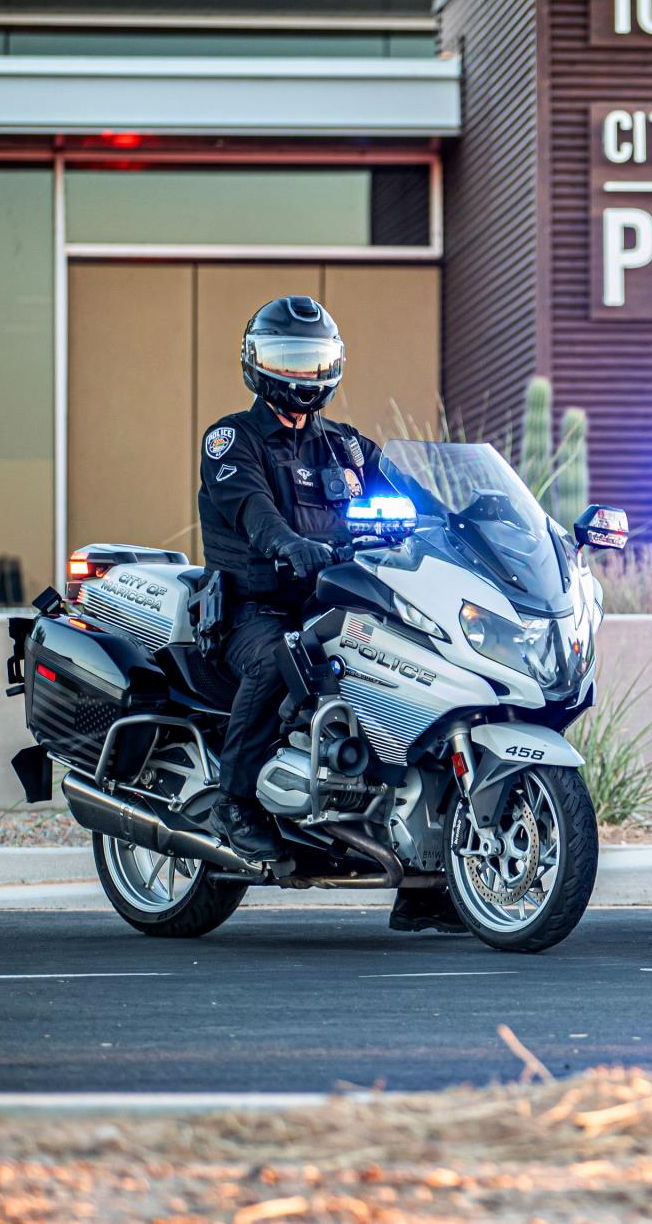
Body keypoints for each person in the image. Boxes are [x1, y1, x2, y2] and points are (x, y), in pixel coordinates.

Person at [197, 295, 461, 933]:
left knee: (427, 687)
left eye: (315, 362)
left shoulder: (348, 449)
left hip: (340, 600)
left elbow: (420, 507)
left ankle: (429, 878)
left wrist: (467, 526)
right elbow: (253, 511)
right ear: (257, 364)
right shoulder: (231, 439)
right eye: (290, 360)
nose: (303, 376)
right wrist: (287, 543)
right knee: (279, 654)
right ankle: (234, 805)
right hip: (253, 608)